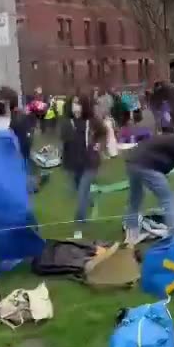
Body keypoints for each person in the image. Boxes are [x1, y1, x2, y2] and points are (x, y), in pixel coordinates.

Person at [60, 95, 107, 240]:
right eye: (74, 103)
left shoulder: (91, 122)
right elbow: (64, 143)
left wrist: (99, 144)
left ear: (84, 106)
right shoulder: (66, 123)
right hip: (73, 164)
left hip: (90, 164)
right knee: (79, 191)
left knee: (81, 195)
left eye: (79, 104)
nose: (76, 107)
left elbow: (103, 132)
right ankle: (91, 201)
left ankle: (78, 227)